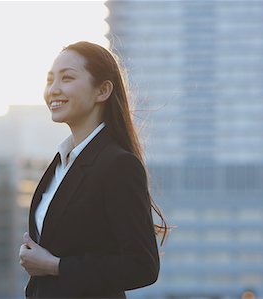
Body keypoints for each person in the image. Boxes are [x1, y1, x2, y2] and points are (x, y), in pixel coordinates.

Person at [19, 41, 169, 298]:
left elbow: (142, 266)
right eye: (50, 80)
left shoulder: (118, 165)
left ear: (102, 90)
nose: (53, 90)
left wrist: (55, 267)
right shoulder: (61, 163)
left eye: (67, 78)